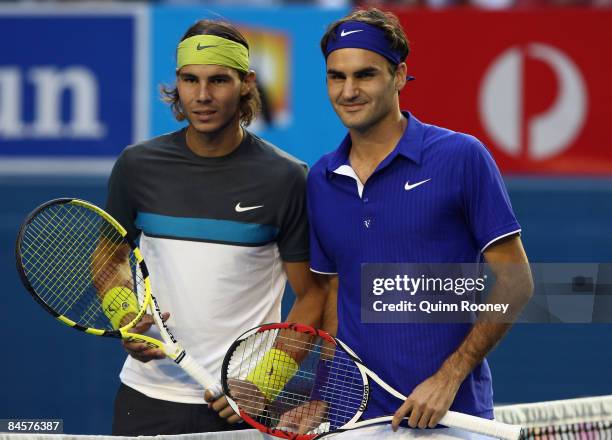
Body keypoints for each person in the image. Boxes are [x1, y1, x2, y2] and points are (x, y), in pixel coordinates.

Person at [302, 7, 533, 436]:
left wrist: (449, 377)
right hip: (356, 421)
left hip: (453, 417)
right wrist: (321, 394)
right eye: (337, 76)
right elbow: (335, 293)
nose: (348, 91)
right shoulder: (320, 178)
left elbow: (516, 281)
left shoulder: (462, 156)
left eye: (365, 75)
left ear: (399, 75)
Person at [105, 19, 326, 436]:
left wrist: (261, 386)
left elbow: (313, 295)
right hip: (145, 398)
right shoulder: (136, 166)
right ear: (178, 83)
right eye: (190, 80)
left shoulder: (286, 178)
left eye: (218, 80)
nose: (202, 96)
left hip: (245, 407)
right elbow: (109, 255)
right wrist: (124, 314)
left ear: (246, 83)